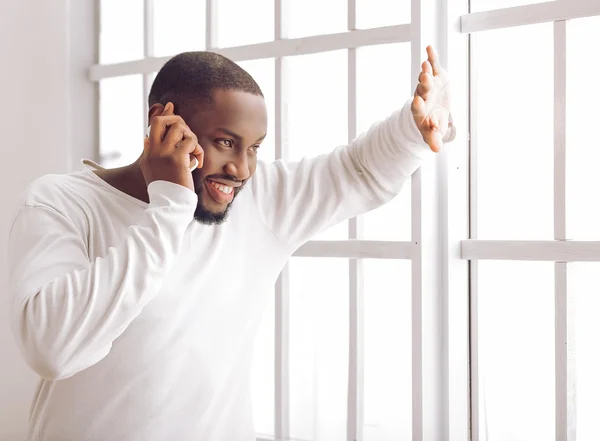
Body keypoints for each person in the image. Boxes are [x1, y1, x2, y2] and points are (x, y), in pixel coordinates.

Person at [7, 45, 454, 441]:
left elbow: (354, 170)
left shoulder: (259, 201)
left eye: (255, 147)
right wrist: (171, 205)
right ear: (162, 121)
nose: (241, 168)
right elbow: (53, 349)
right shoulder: (62, 201)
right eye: (225, 142)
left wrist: (412, 130)